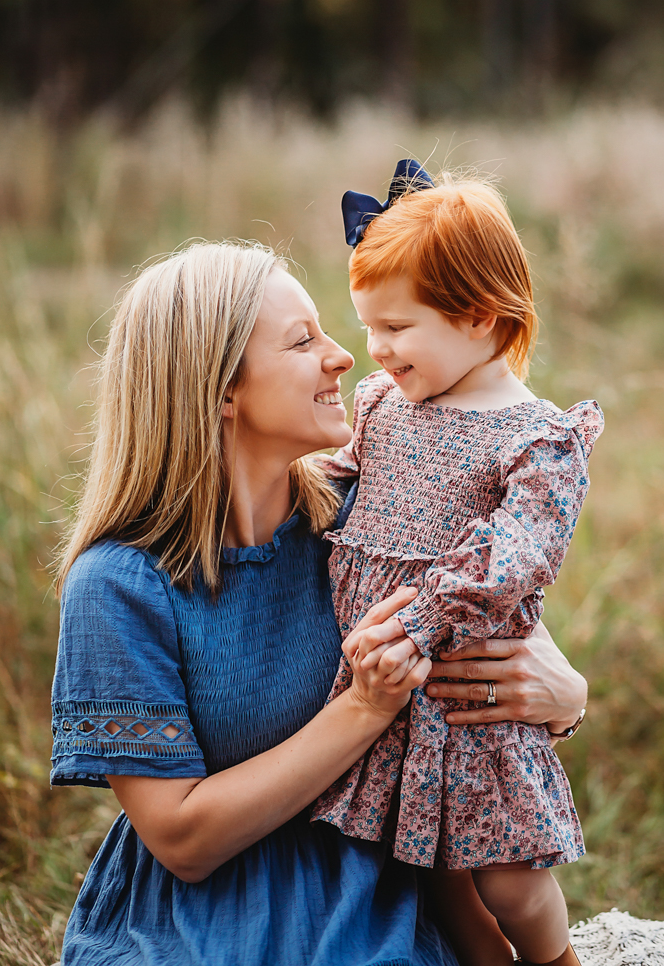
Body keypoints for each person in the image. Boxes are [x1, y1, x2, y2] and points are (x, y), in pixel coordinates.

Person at [51, 240, 589, 966]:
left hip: (381, 896)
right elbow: (183, 841)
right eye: (305, 340)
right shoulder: (117, 585)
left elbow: (490, 637)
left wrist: (565, 699)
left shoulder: (359, 520)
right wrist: (364, 708)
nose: (346, 356)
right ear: (220, 390)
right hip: (195, 924)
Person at [310, 162, 603, 966]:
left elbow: (519, 551)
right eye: (367, 326)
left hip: (462, 675)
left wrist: (426, 613)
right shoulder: (380, 404)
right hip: (379, 676)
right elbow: (337, 484)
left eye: (396, 329)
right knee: (431, 862)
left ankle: (555, 957)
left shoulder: (537, 437)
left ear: (477, 318)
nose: (375, 349)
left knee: (503, 870)